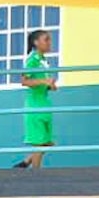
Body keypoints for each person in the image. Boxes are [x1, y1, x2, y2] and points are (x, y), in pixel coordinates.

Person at [17, 28, 57, 169]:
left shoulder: (43, 61)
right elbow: (24, 81)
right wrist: (44, 82)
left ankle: (26, 162)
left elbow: (41, 81)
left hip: (44, 102)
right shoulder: (32, 59)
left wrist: (49, 86)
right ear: (36, 42)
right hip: (35, 104)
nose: (49, 43)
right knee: (40, 142)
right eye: (46, 39)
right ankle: (36, 174)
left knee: (48, 142)